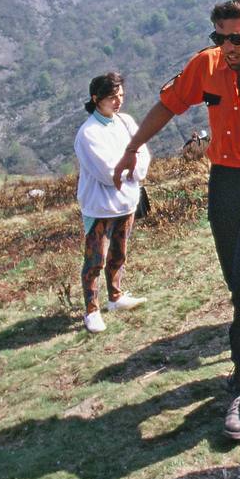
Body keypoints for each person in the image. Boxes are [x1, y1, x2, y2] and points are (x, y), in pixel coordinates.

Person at [113, 0, 240, 442]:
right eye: (218, 37)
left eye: (235, 38)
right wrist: (132, 148)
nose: (226, 46)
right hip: (225, 183)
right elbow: (168, 105)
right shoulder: (206, 66)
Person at [74, 72, 150, 334]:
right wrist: (130, 170)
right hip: (100, 206)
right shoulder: (88, 133)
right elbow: (107, 172)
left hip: (126, 202)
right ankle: (91, 310)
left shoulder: (126, 122)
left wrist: (132, 171)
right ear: (96, 99)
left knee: (119, 252)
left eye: (120, 96)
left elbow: (143, 155)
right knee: (96, 258)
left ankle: (115, 297)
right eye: (111, 97)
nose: (117, 102)